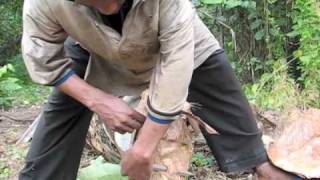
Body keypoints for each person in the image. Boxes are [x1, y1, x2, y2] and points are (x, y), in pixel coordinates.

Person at [19, 0, 295, 179]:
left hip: (174, 36)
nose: (110, 7)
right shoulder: (44, 3)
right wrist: (98, 100)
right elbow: (44, 61)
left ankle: (261, 164)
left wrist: (143, 149)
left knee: (216, 76)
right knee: (63, 107)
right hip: (91, 45)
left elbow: (176, 68)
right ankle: (40, 176)